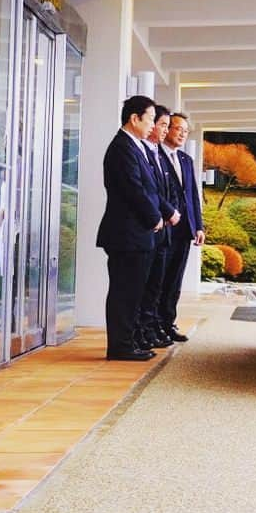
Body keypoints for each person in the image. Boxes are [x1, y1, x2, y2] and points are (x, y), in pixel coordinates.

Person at [97, 95, 165, 361]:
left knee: (133, 290)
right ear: (134, 118)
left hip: (137, 234)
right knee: (124, 291)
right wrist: (154, 217)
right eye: (150, 119)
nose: (153, 125)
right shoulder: (122, 148)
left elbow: (149, 189)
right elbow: (133, 189)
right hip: (127, 234)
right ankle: (121, 346)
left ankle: (128, 341)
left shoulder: (135, 147)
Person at [135, 105, 182, 350]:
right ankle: (142, 331)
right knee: (144, 287)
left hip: (164, 229)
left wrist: (173, 212)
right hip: (150, 228)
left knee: (156, 285)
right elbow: (144, 191)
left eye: (163, 124)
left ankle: (150, 328)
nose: (160, 129)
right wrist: (163, 214)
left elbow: (172, 190)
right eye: (160, 123)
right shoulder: (141, 150)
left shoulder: (154, 153)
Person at [157, 112, 205, 342]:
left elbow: (193, 195)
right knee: (160, 278)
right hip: (165, 227)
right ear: (167, 130)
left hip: (184, 229)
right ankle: (155, 324)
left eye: (186, 131)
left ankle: (168, 323)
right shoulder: (156, 154)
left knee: (175, 280)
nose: (183, 134)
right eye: (178, 129)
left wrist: (199, 226)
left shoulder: (186, 160)